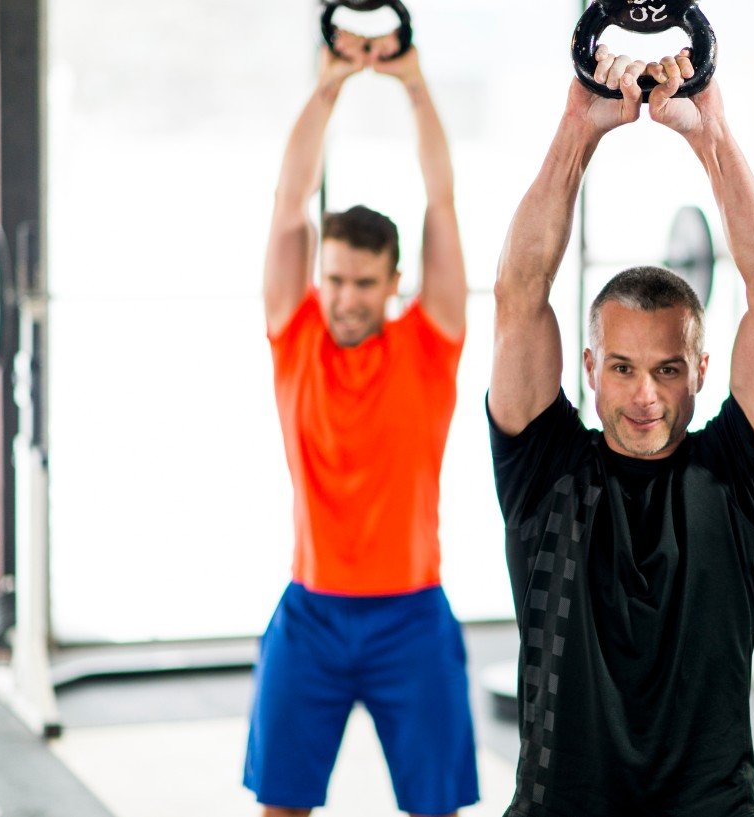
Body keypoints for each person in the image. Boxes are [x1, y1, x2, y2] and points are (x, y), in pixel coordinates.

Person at [488, 46, 754, 816]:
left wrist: (711, 134)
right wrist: (578, 130)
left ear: (702, 368)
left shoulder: (740, 476)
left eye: (667, 370)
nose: (645, 397)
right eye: (623, 367)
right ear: (588, 365)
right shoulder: (544, 464)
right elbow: (518, 294)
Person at [243, 30, 477, 817]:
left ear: (393, 283)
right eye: (335, 278)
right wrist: (328, 90)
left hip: (411, 616)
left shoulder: (430, 341)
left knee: (437, 809)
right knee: (281, 809)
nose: (345, 297)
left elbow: (441, 202)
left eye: (364, 282)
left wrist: (413, 86)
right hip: (310, 615)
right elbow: (288, 200)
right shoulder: (294, 331)